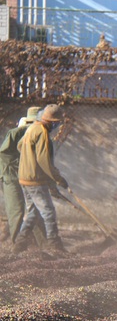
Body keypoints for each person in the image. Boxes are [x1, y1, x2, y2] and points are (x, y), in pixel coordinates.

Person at [12, 104, 69, 254]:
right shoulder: (42, 132)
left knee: (33, 212)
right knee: (48, 211)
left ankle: (20, 242)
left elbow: (19, 146)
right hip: (34, 180)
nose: (57, 125)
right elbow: (44, 160)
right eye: (57, 122)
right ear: (51, 121)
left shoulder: (32, 128)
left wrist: (28, 159)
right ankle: (54, 244)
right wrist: (58, 178)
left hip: (24, 178)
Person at [0, 106, 47, 247]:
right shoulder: (15, 133)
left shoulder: (42, 136)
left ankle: (45, 245)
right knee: (17, 210)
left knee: (36, 209)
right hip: (11, 175)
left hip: (29, 176)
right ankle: (17, 246)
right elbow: (4, 154)